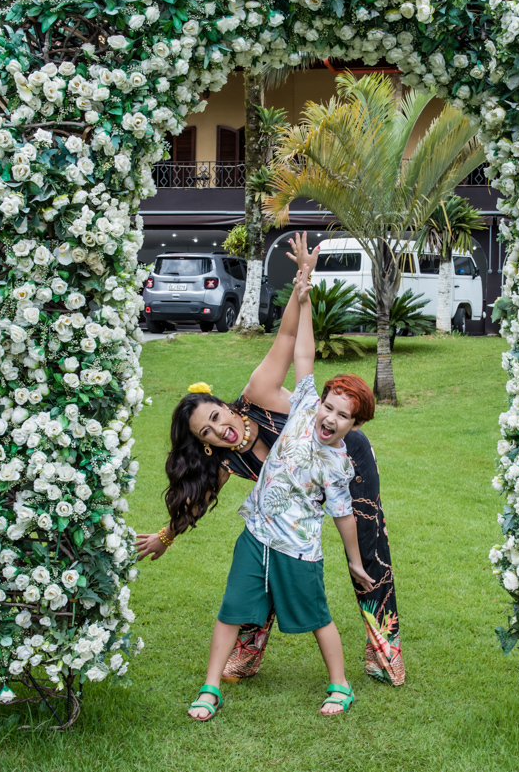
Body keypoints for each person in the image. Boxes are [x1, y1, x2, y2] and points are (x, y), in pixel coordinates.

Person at [136, 232, 406, 687]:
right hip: (295, 503)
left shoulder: (257, 393)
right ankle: (247, 651)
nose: (221, 428)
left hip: (344, 456)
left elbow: (290, 339)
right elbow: (195, 503)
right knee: (265, 547)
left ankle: (383, 648)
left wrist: (303, 282)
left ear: (225, 405)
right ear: (206, 445)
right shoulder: (225, 463)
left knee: (366, 546)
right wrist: (166, 535)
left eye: (217, 415)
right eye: (208, 432)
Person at [185, 268, 375, 720]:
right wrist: (303, 297)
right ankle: (210, 688)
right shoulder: (306, 405)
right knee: (232, 609)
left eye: (342, 417)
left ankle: (340, 685)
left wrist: (353, 560)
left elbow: (344, 515)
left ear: (354, 425)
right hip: (256, 536)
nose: (330, 418)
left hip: (298, 549)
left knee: (316, 618)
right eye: (329, 406)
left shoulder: (337, 464)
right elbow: (303, 352)